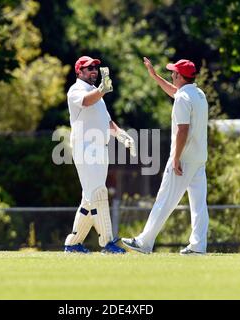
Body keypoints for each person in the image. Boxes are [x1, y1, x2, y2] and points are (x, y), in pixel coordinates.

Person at [122, 57, 209, 255]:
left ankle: (144, 242)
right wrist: (155, 76)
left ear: (179, 76)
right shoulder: (198, 94)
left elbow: (182, 131)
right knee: (198, 204)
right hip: (199, 158)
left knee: (164, 199)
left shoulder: (183, 98)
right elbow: (175, 92)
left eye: (173, 73)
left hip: (184, 159)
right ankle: (198, 245)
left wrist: (176, 158)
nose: (172, 74)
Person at [64, 56, 136, 254]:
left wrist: (122, 136)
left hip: (100, 148)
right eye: (88, 68)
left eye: (95, 67)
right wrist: (102, 90)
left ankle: (73, 243)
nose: (93, 70)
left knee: (89, 198)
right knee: (98, 193)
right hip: (86, 147)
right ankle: (107, 242)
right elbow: (86, 102)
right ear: (79, 72)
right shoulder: (76, 90)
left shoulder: (98, 96)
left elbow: (107, 122)